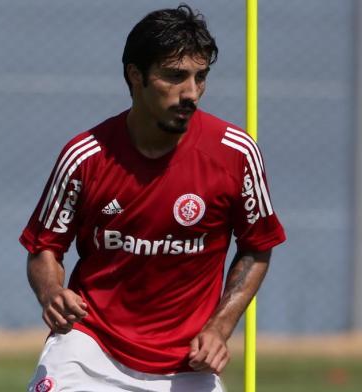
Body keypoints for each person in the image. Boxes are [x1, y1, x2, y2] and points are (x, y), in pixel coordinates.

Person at [20, 4, 286, 392]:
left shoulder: (236, 154)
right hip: (90, 347)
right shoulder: (85, 156)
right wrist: (51, 293)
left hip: (187, 361)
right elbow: (45, 247)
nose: (191, 93)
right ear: (136, 77)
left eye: (200, 77)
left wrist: (220, 327)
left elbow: (257, 246)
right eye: (175, 77)